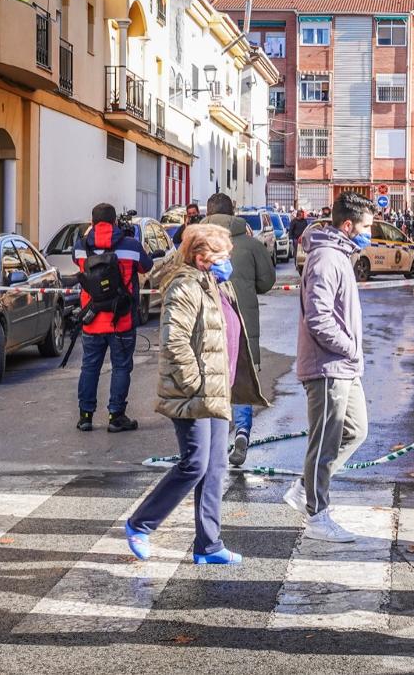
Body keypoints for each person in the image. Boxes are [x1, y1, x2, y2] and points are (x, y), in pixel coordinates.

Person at [124, 224, 267, 565]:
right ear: (202, 258)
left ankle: (209, 544)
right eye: (222, 256)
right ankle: (139, 524)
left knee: (215, 467)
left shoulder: (213, 283)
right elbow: (175, 342)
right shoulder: (185, 287)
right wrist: (196, 384)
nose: (227, 261)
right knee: (194, 464)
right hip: (194, 393)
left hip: (216, 390)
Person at [281, 192, 372, 543]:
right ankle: (317, 514)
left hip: (344, 366)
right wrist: (349, 348)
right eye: (365, 226)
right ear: (347, 226)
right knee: (324, 442)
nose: (368, 233)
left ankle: (305, 488)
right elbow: (319, 317)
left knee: (356, 431)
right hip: (327, 366)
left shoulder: (340, 256)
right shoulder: (326, 259)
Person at [203, 193, 276, 467]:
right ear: (233, 213)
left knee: (210, 382)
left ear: (208, 213)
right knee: (241, 380)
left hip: (205, 326)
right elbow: (267, 281)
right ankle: (242, 433)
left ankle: (212, 442)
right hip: (241, 325)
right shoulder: (251, 244)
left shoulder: (194, 244)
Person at [73, 203, 152, 433]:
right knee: (120, 368)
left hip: (92, 320)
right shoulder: (131, 246)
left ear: (92, 222)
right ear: (116, 221)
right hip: (122, 320)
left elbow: (77, 264)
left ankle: (85, 416)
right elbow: (145, 267)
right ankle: (116, 416)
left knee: (89, 368)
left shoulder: (81, 247)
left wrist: (90, 235)